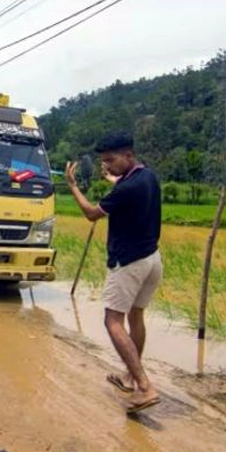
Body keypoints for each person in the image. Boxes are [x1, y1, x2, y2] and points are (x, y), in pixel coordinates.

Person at [64, 131, 163, 414]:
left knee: (113, 321)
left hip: (128, 262)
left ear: (128, 156)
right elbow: (125, 185)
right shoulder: (147, 177)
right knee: (136, 316)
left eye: (111, 160)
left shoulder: (125, 189)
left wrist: (72, 186)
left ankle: (145, 386)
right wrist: (115, 180)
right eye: (104, 161)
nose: (106, 166)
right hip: (152, 259)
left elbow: (91, 213)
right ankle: (130, 377)